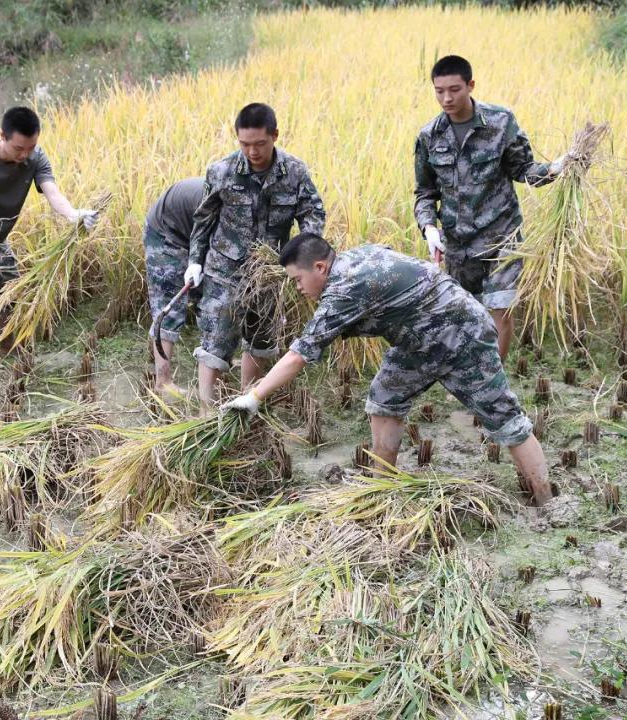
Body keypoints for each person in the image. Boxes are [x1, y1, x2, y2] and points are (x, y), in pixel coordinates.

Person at [223, 233, 553, 507]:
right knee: (383, 399)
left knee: (505, 419)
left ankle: (546, 502)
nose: (297, 288)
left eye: (298, 279)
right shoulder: (354, 259)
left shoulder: (343, 289)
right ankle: (382, 490)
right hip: (418, 340)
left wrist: (253, 397)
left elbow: (299, 356)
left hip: (461, 333)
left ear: (320, 267)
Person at [414, 54, 570, 360]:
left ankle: (491, 389)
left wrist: (557, 168)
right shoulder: (429, 136)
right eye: (439, 91)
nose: (446, 98)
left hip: (502, 237)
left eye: (455, 89)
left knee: (500, 310)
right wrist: (429, 228)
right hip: (458, 245)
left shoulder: (500, 122)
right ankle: (468, 380)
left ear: (471, 85)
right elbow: (424, 191)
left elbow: (523, 170)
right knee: (464, 317)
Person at [185, 102, 325, 406]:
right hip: (224, 270)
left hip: (269, 272)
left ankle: (246, 402)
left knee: (261, 338)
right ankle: (206, 415)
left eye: (260, 143)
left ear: (274, 135)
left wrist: (303, 253)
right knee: (215, 339)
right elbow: (204, 220)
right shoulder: (221, 171)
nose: (252, 152)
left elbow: (313, 215)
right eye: (244, 144)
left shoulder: (295, 172)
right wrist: (195, 261)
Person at [0, 106, 99, 356]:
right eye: (18, 148)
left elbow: (51, 191)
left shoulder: (35, 158)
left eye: (31, 147)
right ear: (2, 136)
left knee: (11, 290)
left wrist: (72, 214)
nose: (25, 154)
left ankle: (10, 349)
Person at [144, 177, 205, 394]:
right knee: (170, 306)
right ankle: (163, 382)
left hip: (192, 233)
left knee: (208, 302)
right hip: (166, 233)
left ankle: (216, 357)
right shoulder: (220, 202)